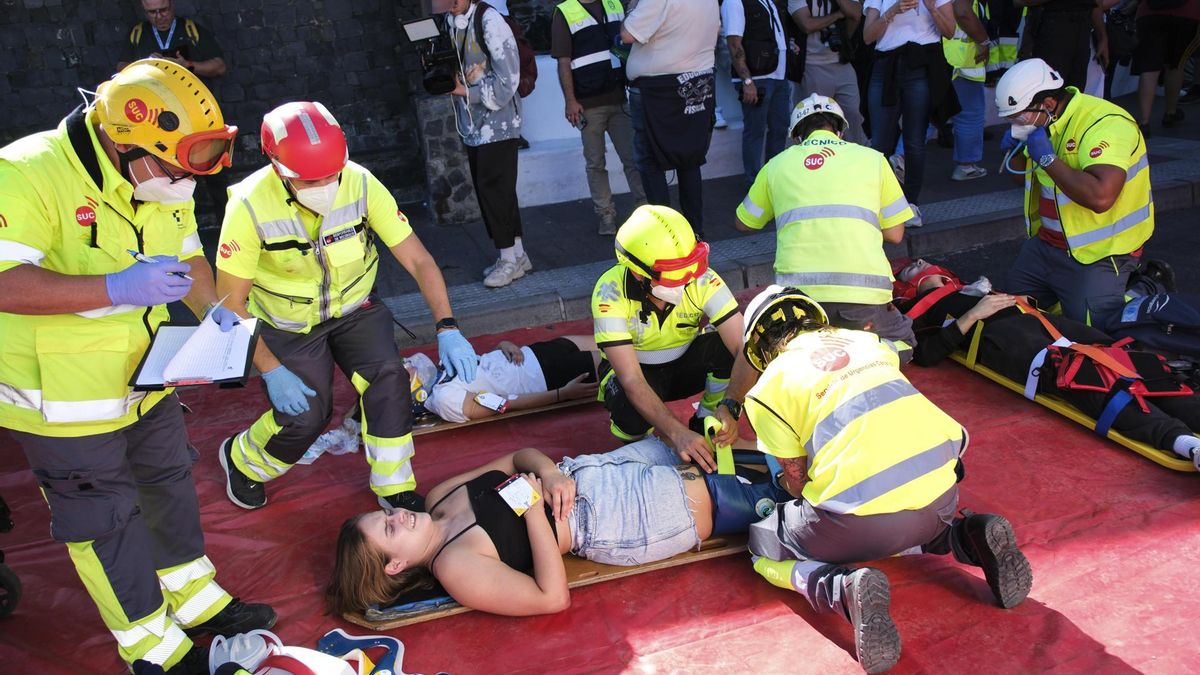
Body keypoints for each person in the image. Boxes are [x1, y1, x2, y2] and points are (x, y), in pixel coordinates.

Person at [0, 60, 273, 674]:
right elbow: (2, 280)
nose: (184, 184)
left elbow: (190, 258)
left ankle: (196, 601)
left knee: (168, 482)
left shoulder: (157, 178)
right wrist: (115, 287)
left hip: (146, 377)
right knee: (105, 519)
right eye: (175, 169)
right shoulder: (25, 173)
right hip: (62, 401)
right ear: (125, 141)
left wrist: (215, 314)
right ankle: (153, 648)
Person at [735, 286, 1033, 673]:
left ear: (759, 347)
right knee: (904, 510)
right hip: (941, 498)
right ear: (814, 316)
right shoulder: (868, 342)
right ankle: (966, 537)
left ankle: (839, 589)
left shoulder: (767, 389)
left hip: (860, 523)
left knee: (762, 544)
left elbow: (795, 481)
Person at [214, 101, 479, 515]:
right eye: (310, 179)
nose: (324, 185)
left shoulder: (360, 182)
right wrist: (272, 370)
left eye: (331, 175)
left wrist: (447, 326)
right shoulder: (248, 205)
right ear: (277, 168)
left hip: (355, 309)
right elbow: (230, 303)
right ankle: (243, 459)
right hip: (288, 325)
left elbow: (419, 260)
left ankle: (394, 488)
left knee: (390, 379)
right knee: (305, 415)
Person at [326, 438, 790, 617]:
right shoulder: (455, 566)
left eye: (385, 514)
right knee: (742, 495)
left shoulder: (438, 496)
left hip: (589, 466)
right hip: (610, 518)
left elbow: (515, 456)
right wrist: (531, 512)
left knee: (740, 454)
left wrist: (548, 475)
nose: (397, 515)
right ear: (397, 565)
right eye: (389, 530)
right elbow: (552, 598)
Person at [894, 259, 1200, 467]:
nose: (918, 262)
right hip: (1010, 341)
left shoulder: (965, 288)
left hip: (1043, 325)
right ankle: (1184, 443)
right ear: (906, 289)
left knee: (1135, 364)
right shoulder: (918, 314)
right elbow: (925, 355)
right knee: (1086, 377)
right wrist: (972, 315)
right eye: (910, 267)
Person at [735, 94, 917, 361]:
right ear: (840, 131)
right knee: (905, 344)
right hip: (862, 298)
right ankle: (866, 356)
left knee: (790, 350)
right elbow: (895, 234)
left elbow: (744, 223)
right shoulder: (873, 159)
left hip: (798, 301)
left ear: (797, 136)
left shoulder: (776, 166)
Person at [995, 58, 1152, 330]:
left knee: (1094, 336)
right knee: (1007, 317)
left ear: (1049, 103)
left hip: (1099, 254)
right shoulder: (1041, 125)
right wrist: (1014, 149)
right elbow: (1017, 177)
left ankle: (1145, 289)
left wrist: (1047, 159)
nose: (1014, 123)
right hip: (1045, 246)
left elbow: (1100, 197)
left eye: (1019, 116)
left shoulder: (1105, 124)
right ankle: (1066, 295)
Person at [591, 205, 743, 472]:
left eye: (690, 267)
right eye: (675, 272)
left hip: (684, 364)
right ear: (639, 273)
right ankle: (642, 451)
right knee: (630, 412)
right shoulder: (609, 293)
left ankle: (706, 419)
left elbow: (743, 347)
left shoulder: (702, 278)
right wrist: (676, 433)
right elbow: (632, 380)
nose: (687, 279)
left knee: (723, 350)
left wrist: (731, 404)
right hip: (638, 374)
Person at [308, 337, 601, 455]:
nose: (403, 364)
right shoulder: (445, 400)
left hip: (534, 353)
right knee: (628, 359)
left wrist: (504, 344)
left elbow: (480, 363)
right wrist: (562, 394)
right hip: (544, 377)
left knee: (613, 338)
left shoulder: (438, 374)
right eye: (398, 373)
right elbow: (506, 405)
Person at [439, 0, 528, 288]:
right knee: (497, 190)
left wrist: (466, 91)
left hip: (498, 125)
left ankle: (507, 259)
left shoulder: (490, 21)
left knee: (494, 190)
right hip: (474, 126)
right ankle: (517, 254)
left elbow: (508, 79)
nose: (448, 4)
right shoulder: (452, 23)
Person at [117, 0, 230, 220]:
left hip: (197, 116)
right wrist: (147, 67)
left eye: (163, 10)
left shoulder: (190, 29)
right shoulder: (139, 34)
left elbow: (219, 66)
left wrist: (187, 65)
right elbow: (121, 70)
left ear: (172, 7)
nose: (159, 17)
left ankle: (227, 222)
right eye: (152, 13)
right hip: (158, 123)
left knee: (214, 171)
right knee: (172, 175)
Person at [620, 0, 720, 238]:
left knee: (649, 162)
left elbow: (627, 34)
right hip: (697, 81)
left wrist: (633, 7)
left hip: (659, 89)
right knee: (690, 159)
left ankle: (666, 236)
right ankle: (695, 232)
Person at [551, 0, 647, 235]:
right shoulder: (565, 11)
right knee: (596, 163)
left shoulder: (613, 3)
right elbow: (563, 62)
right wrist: (570, 101)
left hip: (619, 98)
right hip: (588, 104)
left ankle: (645, 211)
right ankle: (606, 216)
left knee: (633, 159)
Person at [862, 0, 957, 226]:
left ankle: (911, 204)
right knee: (880, 143)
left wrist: (932, 7)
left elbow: (950, 31)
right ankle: (879, 205)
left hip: (921, 63)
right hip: (885, 65)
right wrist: (893, 10)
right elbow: (867, 36)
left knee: (914, 140)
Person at [723, 0, 793, 188]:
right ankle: (755, 186)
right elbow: (733, 43)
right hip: (757, 78)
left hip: (778, 75)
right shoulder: (734, 2)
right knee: (755, 131)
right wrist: (747, 81)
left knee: (780, 128)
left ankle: (774, 181)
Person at [789, 0, 869, 145]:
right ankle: (819, 158)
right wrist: (838, 15)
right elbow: (806, 25)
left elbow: (856, 14)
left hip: (841, 62)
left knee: (853, 114)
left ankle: (855, 156)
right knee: (816, 120)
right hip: (812, 65)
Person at [1132, 0, 1200, 137]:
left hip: (1149, 14)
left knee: (1149, 68)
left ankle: (1143, 121)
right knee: (1176, 64)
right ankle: (1171, 112)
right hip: (1186, 14)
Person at [941, 0, 992, 181]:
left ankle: (901, 158)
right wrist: (984, 40)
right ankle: (967, 166)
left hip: (938, 55)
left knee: (927, 113)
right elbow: (962, 12)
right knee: (970, 113)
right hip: (962, 60)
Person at [1014, 0, 1105, 91]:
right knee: (1045, 93)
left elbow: (1096, 4)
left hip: (1082, 31)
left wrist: (1102, 37)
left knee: (1076, 92)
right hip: (1050, 31)